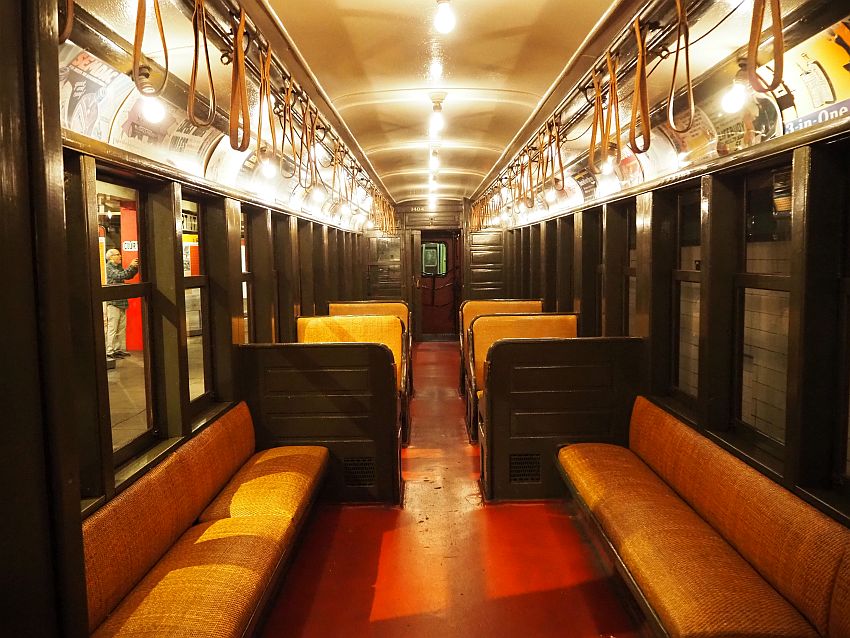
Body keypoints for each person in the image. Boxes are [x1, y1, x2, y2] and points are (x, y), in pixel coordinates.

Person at [104, 248, 139, 361]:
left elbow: (127, 275)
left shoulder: (117, 267)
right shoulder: (109, 267)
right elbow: (120, 276)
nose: (120, 256)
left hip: (121, 301)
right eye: (117, 254)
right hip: (113, 302)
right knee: (113, 328)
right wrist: (131, 266)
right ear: (111, 257)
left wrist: (133, 268)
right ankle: (109, 351)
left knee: (120, 328)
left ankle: (117, 349)